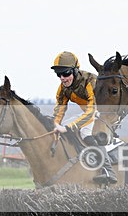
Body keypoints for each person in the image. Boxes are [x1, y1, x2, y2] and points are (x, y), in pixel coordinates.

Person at [50, 51, 117, 184]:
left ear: (75, 71)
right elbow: (59, 110)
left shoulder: (90, 81)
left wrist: (69, 127)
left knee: (85, 133)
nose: (62, 78)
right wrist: (55, 125)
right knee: (62, 128)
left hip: (104, 112)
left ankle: (108, 170)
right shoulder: (62, 88)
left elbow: (91, 110)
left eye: (66, 73)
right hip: (89, 112)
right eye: (59, 74)